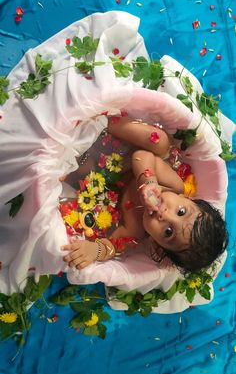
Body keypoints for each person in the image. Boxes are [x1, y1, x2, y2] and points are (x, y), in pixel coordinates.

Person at [61, 116, 228, 274]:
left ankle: (62, 162)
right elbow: (141, 156)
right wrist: (149, 181)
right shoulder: (174, 186)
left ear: (157, 245)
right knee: (159, 142)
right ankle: (102, 121)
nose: (165, 214)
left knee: (80, 182)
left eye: (168, 232)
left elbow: (111, 247)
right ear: (187, 198)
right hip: (120, 152)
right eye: (181, 212)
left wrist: (95, 250)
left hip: (96, 181)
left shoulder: (135, 231)